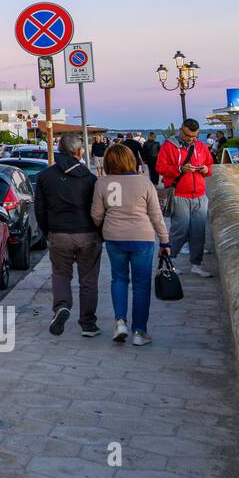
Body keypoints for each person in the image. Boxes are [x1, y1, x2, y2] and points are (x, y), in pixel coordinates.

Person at [92, 144, 170, 346]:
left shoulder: (102, 183)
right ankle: (139, 331)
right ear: (130, 160)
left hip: (114, 237)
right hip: (141, 237)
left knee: (118, 279)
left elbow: (96, 215)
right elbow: (156, 215)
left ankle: (120, 322)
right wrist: (165, 240)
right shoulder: (144, 183)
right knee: (141, 285)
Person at [34, 133, 102, 337]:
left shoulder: (45, 177)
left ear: (59, 150)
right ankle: (88, 323)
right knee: (88, 279)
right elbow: (98, 209)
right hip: (87, 233)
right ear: (79, 152)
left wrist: (48, 232)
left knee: (61, 274)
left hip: (59, 233)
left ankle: (62, 306)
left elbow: (39, 210)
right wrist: (99, 233)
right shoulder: (90, 178)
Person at [155, 118, 213, 277]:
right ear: (181, 130)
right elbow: (160, 168)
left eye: (194, 136)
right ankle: (169, 261)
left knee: (198, 231)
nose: (191, 139)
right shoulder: (169, 146)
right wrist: (180, 168)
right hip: (179, 194)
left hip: (200, 195)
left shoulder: (200, 146)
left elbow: (210, 166)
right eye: (188, 135)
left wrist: (205, 170)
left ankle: (196, 264)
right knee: (179, 230)